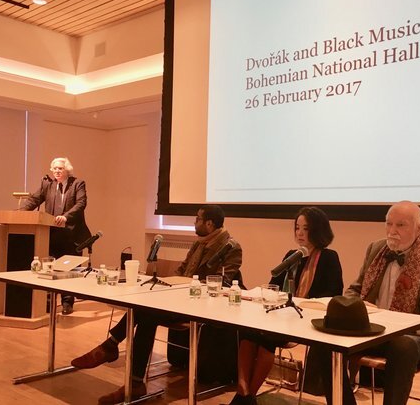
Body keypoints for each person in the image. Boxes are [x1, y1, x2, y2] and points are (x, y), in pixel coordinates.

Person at [71, 204, 242, 405]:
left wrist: (183, 290)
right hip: (180, 299)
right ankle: (130, 376)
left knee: (145, 313)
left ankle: (115, 352)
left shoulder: (231, 247)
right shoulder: (199, 243)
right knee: (144, 310)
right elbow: (182, 270)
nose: (193, 222)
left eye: (197, 219)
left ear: (209, 223)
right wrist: (172, 286)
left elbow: (220, 283)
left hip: (202, 307)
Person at [318, 201, 420, 405]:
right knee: (325, 343)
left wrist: (395, 324)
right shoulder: (376, 249)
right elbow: (356, 290)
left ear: (419, 228)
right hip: (374, 331)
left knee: (403, 345)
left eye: (400, 225)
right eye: (389, 224)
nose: (392, 231)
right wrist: (353, 308)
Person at [230, 207, 344, 405]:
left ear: (318, 230)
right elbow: (273, 286)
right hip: (280, 315)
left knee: (267, 337)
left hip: (305, 320)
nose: (299, 233)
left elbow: (333, 294)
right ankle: (244, 393)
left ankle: (248, 397)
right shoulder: (292, 255)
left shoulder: (329, 257)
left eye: (305, 229)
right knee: (247, 331)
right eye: (297, 228)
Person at [21, 157, 91, 315]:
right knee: (49, 269)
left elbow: (81, 203)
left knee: (69, 269)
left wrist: (66, 216)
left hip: (71, 233)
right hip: (51, 233)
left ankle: (67, 303)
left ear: (67, 170)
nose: (57, 171)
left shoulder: (78, 184)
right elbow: (34, 200)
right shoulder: (48, 185)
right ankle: (48, 303)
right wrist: (19, 214)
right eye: (55, 169)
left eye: (60, 168)